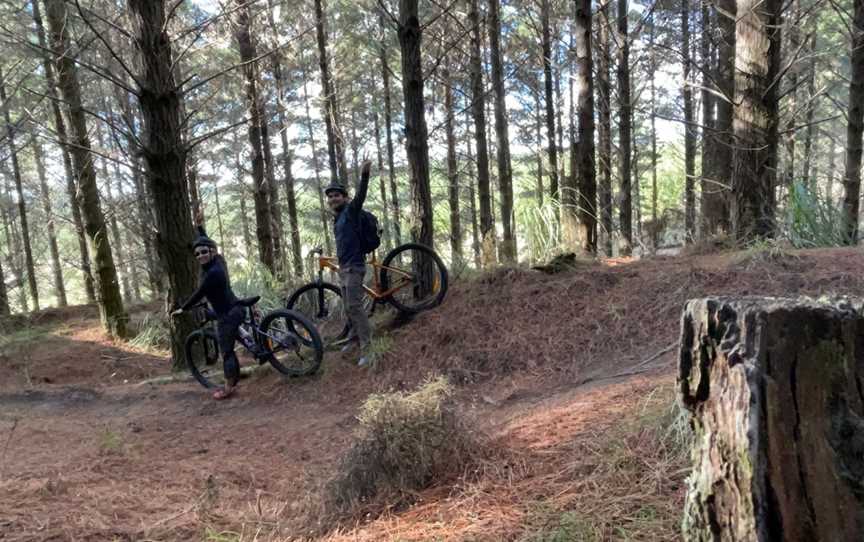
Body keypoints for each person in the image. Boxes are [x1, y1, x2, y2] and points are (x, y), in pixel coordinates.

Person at [171, 217, 243, 399]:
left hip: (227, 314)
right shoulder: (218, 260)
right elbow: (207, 243)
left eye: (204, 252)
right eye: (197, 254)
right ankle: (235, 375)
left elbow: (199, 294)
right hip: (236, 307)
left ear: (211, 252)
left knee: (226, 351)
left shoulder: (213, 273)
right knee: (232, 336)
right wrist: (200, 229)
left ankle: (228, 388)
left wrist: (183, 309)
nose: (200, 256)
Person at [324, 160, 374, 367]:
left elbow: (360, 197)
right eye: (330, 196)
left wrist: (364, 176)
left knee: (355, 307)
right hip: (344, 269)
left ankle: (368, 349)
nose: (333, 199)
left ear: (345, 198)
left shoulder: (351, 212)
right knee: (348, 307)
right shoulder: (337, 219)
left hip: (355, 267)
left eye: (336, 195)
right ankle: (353, 340)